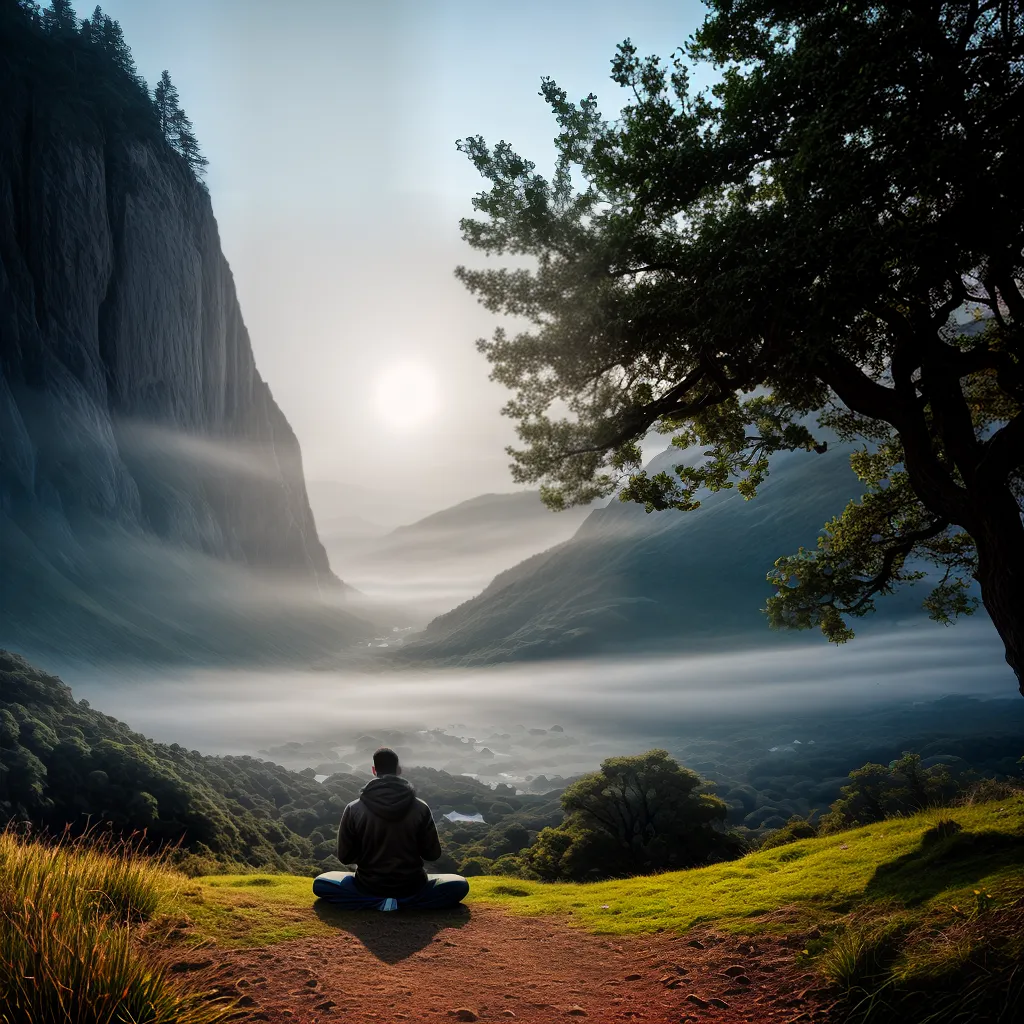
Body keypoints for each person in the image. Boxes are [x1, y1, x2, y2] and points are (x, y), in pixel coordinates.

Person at [311, 746, 470, 911]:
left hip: (368, 886)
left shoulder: (353, 808)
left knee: (322, 883)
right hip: (412, 886)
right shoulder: (421, 807)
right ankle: (404, 903)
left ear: (374, 770)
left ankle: (376, 902)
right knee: (459, 885)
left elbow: (345, 857)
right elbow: (432, 854)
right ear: (398, 770)